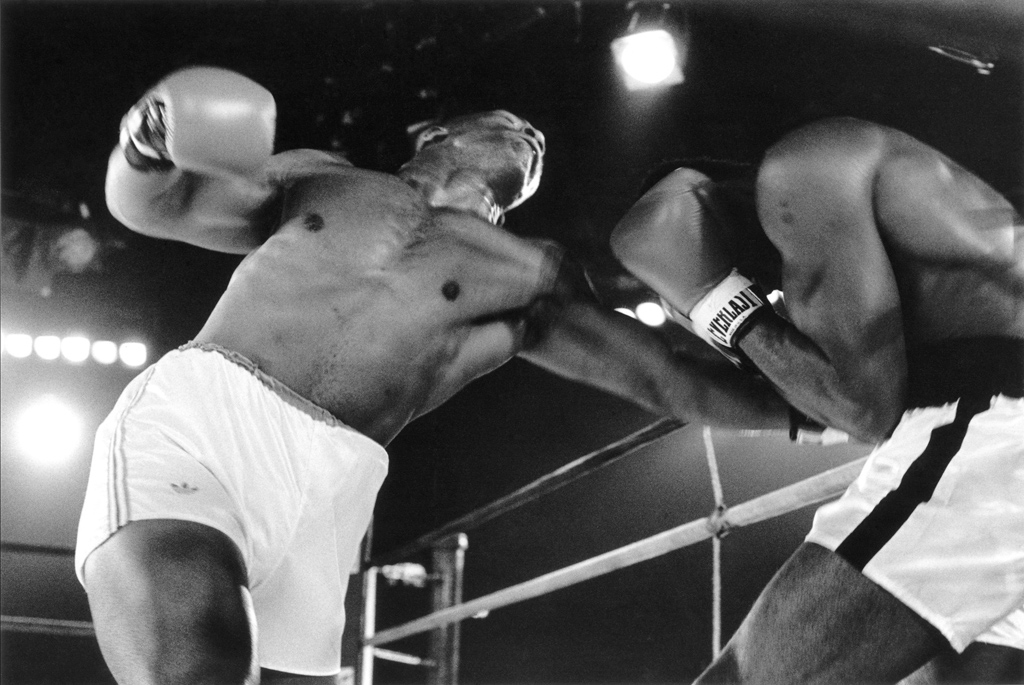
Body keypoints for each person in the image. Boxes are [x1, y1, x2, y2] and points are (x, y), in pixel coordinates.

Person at [75, 66, 793, 685]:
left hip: (332, 488)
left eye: (536, 139)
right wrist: (143, 149)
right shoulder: (323, 179)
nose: (532, 134)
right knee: (200, 665)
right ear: (436, 137)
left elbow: (667, 379)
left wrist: (828, 407)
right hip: (208, 422)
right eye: (513, 121)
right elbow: (159, 204)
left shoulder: (530, 273)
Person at [606, 117, 1023, 683]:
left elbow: (863, 412)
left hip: (997, 437)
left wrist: (717, 303)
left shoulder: (800, 169)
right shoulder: (891, 212)